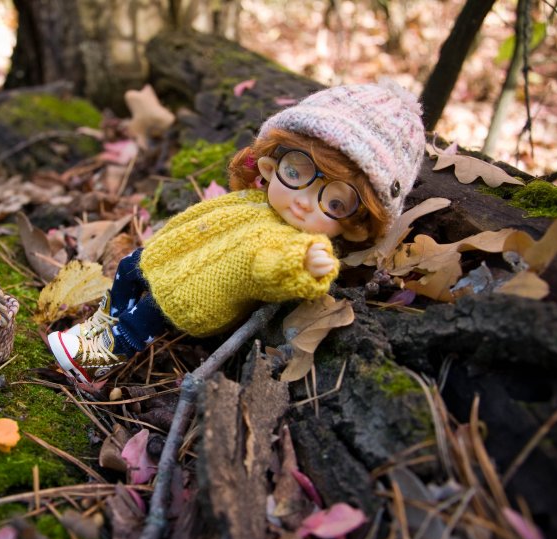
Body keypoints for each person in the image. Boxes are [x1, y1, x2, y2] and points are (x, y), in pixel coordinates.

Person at [48, 80, 426, 382]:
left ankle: (94, 358)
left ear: (356, 226)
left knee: (144, 318)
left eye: (336, 202)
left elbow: (271, 268)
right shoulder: (259, 202)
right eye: (296, 172)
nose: (303, 201)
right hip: (165, 260)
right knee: (128, 270)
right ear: (270, 163)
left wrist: (304, 265)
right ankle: (102, 321)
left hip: (192, 294)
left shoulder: (294, 240)